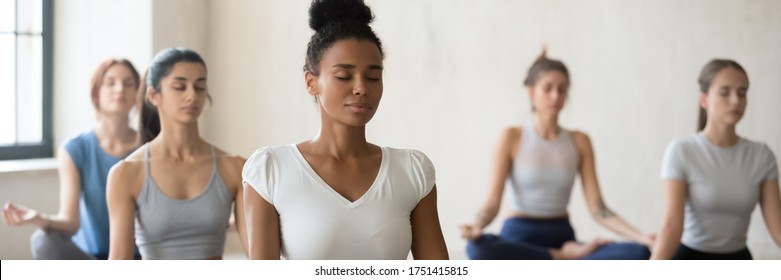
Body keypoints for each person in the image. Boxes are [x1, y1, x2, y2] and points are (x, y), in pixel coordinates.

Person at [242, 0, 449, 260]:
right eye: (344, 76)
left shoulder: (412, 170)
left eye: (373, 77)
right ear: (311, 82)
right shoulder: (270, 170)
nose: (362, 88)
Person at [460, 50, 654, 260]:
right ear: (531, 91)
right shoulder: (511, 137)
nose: (556, 96)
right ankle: (561, 259)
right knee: (477, 248)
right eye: (548, 88)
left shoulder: (580, 141)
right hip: (518, 237)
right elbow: (491, 203)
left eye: (562, 89)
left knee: (638, 253)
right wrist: (476, 226)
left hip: (562, 236)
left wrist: (642, 237)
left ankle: (557, 258)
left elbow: (599, 209)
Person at [106, 48, 248, 260]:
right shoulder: (125, 174)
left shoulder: (235, 168)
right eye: (180, 87)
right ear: (154, 96)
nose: (192, 95)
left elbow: (260, 259)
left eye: (200, 87)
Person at [3, 59, 141, 260]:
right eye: (110, 82)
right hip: (90, 258)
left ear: (138, 92)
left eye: (128, 83)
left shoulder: (150, 147)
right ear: (96, 93)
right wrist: (38, 218)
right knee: (41, 240)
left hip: (139, 259)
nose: (120, 89)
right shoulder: (75, 148)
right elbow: (70, 222)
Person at [652, 59, 781, 259]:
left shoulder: (761, 155)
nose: (735, 101)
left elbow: (778, 228)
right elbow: (672, 225)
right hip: (689, 258)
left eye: (742, 92)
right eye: (724, 92)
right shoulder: (682, 151)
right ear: (703, 99)